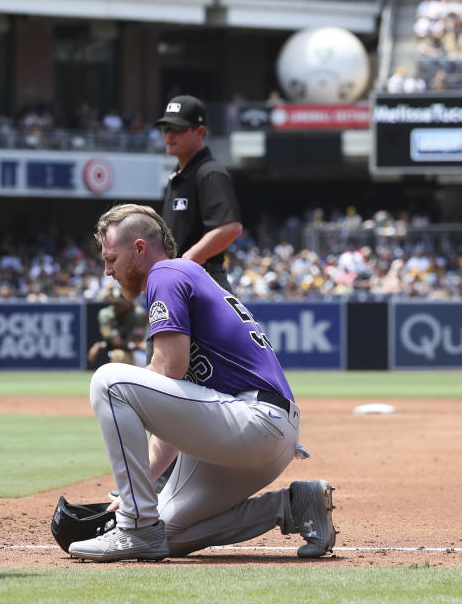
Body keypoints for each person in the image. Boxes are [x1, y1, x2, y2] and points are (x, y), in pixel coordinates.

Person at [67, 203, 335, 562]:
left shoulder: (165, 273)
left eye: (111, 258)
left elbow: (169, 370)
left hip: (254, 421)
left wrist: (134, 509)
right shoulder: (188, 275)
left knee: (109, 380)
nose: (107, 270)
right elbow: (172, 418)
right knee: (167, 536)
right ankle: (292, 506)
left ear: (140, 249)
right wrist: (133, 489)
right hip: (254, 431)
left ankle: (135, 527)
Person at [154, 95, 242, 294]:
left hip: (203, 278)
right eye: (165, 128)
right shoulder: (178, 174)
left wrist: (185, 262)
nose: (169, 135)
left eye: (178, 129)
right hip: (182, 279)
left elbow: (230, 227)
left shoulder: (209, 172)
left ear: (199, 131)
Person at [87, 288, 147, 368]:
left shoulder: (138, 314)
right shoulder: (106, 315)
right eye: (113, 303)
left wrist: (102, 345)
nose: (115, 307)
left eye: (118, 304)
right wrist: (136, 344)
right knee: (119, 355)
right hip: (120, 351)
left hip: (138, 352)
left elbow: (135, 340)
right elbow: (116, 343)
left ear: (129, 303)